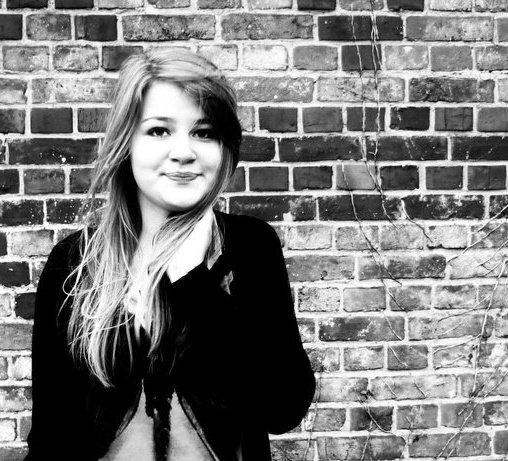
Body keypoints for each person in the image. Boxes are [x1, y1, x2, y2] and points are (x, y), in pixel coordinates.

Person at [25, 48, 316, 461]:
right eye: (159, 130)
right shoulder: (75, 263)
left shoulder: (248, 247)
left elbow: (282, 407)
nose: (183, 152)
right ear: (126, 142)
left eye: (204, 132)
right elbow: (51, 437)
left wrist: (195, 281)